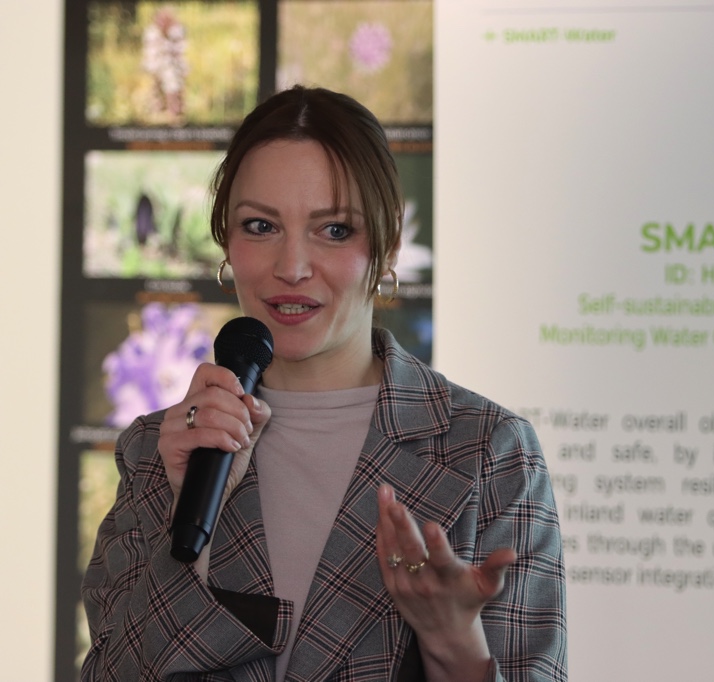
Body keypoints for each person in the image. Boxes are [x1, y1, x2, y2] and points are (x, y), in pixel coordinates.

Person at [81, 85, 568, 681]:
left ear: (387, 245)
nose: (291, 267)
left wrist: (454, 646)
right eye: (260, 225)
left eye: (334, 230)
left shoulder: (487, 452)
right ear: (226, 243)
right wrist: (188, 537)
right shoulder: (156, 449)